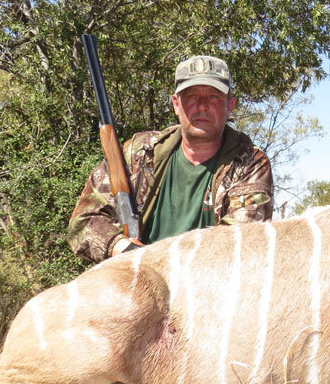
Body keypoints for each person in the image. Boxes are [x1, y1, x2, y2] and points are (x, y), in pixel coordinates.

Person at [68, 55, 274, 262]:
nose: (202, 106)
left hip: (207, 282)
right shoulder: (140, 152)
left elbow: (239, 242)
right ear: (176, 104)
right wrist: (122, 248)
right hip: (135, 274)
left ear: (230, 106)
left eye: (214, 97)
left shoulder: (250, 163)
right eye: (192, 96)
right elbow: (83, 222)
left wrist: (159, 262)